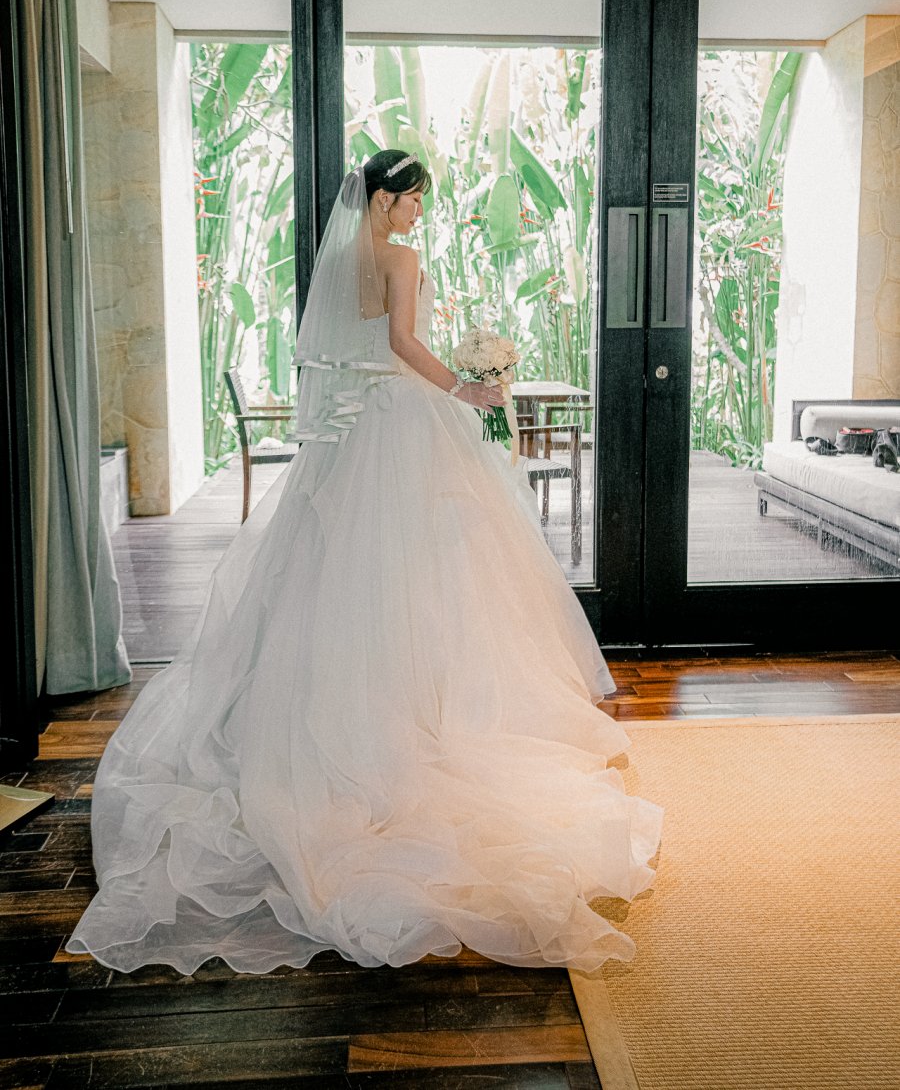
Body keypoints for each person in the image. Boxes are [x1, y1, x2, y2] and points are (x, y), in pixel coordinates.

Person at [66, 149, 663, 976]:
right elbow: (404, 342)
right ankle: (422, 716)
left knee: (338, 573)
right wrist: (466, 388)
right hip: (406, 420)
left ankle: (339, 708)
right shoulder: (401, 258)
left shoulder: (344, 259)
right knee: (429, 575)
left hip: (355, 432)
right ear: (385, 198)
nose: (419, 212)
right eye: (413, 198)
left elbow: (347, 348)